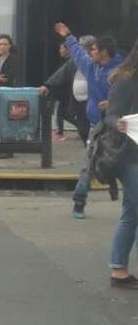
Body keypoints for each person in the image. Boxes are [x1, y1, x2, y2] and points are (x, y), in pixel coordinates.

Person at [52, 23, 123, 218]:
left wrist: (113, 102)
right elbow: (76, 52)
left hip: (119, 127)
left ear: (104, 52)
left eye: (94, 49)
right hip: (97, 126)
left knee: (124, 163)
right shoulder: (91, 66)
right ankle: (79, 201)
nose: (90, 52)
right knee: (88, 163)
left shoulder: (122, 72)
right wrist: (68, 35)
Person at [106, 41, 138, 289]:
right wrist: (118, 122)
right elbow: (111, 114)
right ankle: (118, 269)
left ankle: (118, 269)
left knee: (130, 213)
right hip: (129, 156)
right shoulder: (126, 79)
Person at [40, 36, 94, 144]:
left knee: (93, 127)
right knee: (83, 129)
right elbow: (62, 73)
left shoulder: (96, 61)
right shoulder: (75, 60)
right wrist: (48, 85)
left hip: (93, 100)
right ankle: (89, 147)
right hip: (79, 100)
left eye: (82, 47)